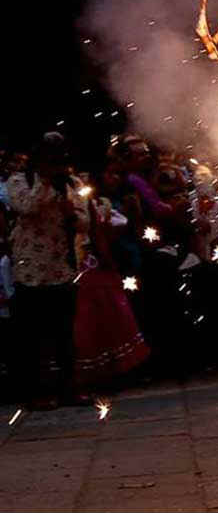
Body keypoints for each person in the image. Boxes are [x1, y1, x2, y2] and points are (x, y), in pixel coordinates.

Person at [5, 132, 88, 409]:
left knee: (64, 335)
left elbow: (85, 223)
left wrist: (70, 214)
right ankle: (34, 393)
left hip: (61, 268)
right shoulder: (19, 181)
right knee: (31, 337)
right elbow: (26, 206)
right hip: (30, 271)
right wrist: (44, 181)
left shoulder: (73, 184)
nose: (56, 164)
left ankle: (69, 389)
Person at [72, 160, 149, 391]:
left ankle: (115, 370)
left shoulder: (103, 205)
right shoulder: (77, 202)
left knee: (113, 317)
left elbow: (107, 232)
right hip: (82, 268)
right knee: (90, 321)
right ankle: (94, 374)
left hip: (98, 266)